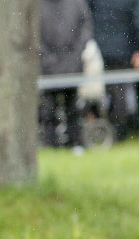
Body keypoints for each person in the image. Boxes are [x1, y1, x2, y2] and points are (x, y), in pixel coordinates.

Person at [40, 0, 94, 152]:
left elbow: (85, 30)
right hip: (48, 68)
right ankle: (50, 144)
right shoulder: (38, 5)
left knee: (73, 107)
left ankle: (75, 142)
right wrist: (48, 60)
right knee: (48, 109)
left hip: (72, 65)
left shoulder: (77, 3)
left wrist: (74, 57)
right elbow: (34, 36)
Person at [87, 0, 139, 139]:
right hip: (123, 50)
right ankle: (119, 131)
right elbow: (136, 19)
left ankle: (101, 128)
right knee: (119, 92)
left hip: (99, 49)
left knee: (98, 91)